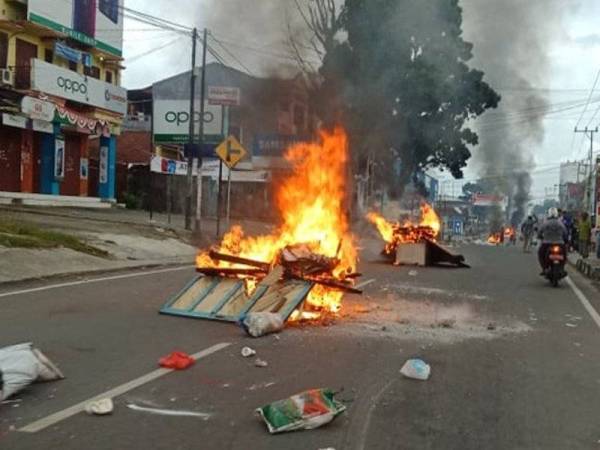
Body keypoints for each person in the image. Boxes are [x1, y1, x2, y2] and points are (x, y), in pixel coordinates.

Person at [537, 207, 568, 275]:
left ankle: (544, 268)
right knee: (565, 254)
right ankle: (562, 268)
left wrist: (540, 237)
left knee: (540, 254)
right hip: (560, 243)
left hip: (546, 243)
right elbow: (565, 232)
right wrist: (565, 240)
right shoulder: (560, 223)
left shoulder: (545, 223)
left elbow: (539, 232)